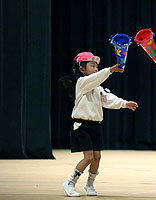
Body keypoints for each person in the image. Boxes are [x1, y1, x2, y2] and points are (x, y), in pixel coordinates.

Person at [61, 52, 138, 197]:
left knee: (97, 157)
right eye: (92, 65)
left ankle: (90, 184)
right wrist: (110, 70)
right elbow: (96, 78)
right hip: (81, 126)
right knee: (89, 157)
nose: (96, 68)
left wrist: (124, 104)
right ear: (82, 69)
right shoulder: (81, 83)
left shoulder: (98, 88)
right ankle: (70, 183)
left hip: (95, 126)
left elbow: (108, 99)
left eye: (97, 66)